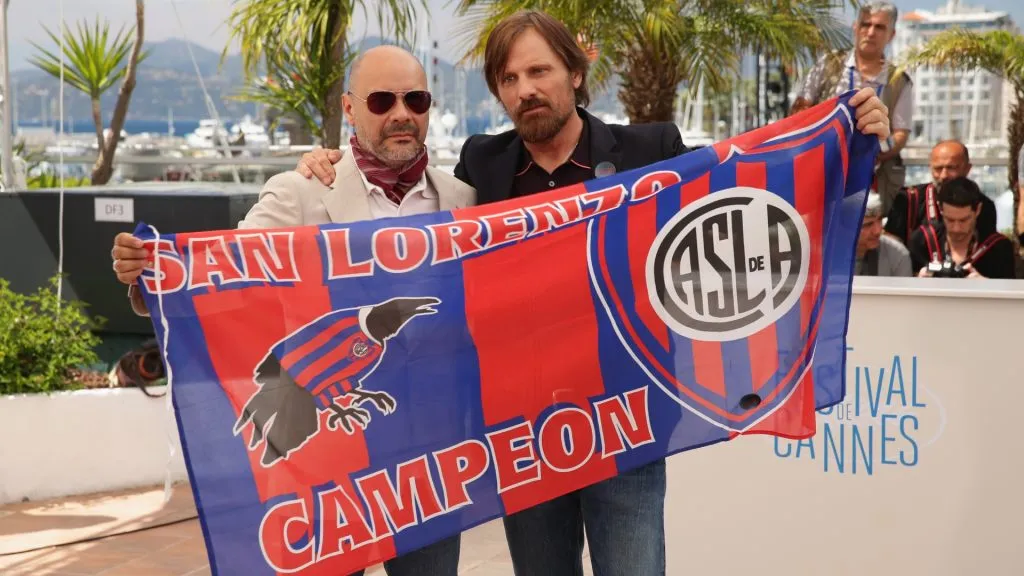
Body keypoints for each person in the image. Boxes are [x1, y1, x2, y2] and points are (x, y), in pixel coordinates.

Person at [294, 11, 893, 576]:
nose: (525, 88)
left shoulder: (647, 151)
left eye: (538, 71)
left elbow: (750, 193)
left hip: (624, 423)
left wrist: (850, 142)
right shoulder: (484, 165)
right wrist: (328, 160)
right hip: (521, 434)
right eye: (509, 78)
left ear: (575, 74)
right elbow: (417, 214)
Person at [110, 44, 475, 576]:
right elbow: (224, 276)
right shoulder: (300, 194)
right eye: (382, 100)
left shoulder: (464, 200)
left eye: (415, 99)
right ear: (350, 109)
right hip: (326, 459)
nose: (401, 113)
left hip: (428, 455)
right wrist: (152, 277)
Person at [790, 1, 911, 215]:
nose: (870, 32)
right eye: (866, 24)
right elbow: (799, 111)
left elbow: (900, 134)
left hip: (872, 178)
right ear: (855, 27)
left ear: (891, 35)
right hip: (823, 171)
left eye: (879, 27)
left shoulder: (899, 79)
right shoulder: (828, 64)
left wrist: (872, 148)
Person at [884, 139, 997, 246]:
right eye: (938, 169)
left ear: (967, 168)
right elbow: (891, 246)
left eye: (951, 168)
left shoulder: (983, 206)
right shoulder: (908, 199)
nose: (944, 176)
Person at [909, 176, 1015, 279]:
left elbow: (1010, 294)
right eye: (950, 220)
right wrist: (918, 281)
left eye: (963, 220)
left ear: (978, 210)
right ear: (940, 209)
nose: (956, 228)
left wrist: (986, 286)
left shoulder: (999, 248)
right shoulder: (922, 241)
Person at [855, 193, 911, 276]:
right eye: (868, 224)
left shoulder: (897, 255)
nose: (877, 231)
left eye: (880, 220)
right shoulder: (829, 256)